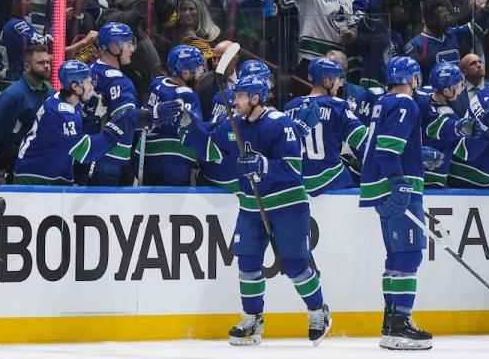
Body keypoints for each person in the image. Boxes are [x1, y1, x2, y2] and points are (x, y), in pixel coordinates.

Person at [171, 74, 332, 346]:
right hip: (250, 206)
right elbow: (210, 149)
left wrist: (264, 165)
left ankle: (318, 311)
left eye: (240, 96)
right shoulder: (232, 124)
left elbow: (293, 168)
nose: (234, 101)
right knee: (247, 263)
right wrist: (191, 127)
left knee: (294, 265)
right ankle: (253, 319)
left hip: (287, 205)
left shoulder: (279, 123)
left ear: (255, 98)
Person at [359, 56, 433, 350]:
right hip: (399, 189)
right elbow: (388, 151)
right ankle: (401, 326)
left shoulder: (383, 103)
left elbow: (382, 145)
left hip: (381, 188)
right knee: (408, 256)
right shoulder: (405, 103)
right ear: (413, 79)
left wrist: (419, 155)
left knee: (395, 258)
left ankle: (391, 325)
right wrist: (400, 182)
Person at [13, 60, 127, 185]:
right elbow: (85, 152)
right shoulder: (60, 113)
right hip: (36, 177)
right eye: (88, 82)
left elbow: (78, 134)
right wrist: (118, 129)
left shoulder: (69, 102)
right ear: (75, 86)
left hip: (51, 172)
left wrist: (89, 116)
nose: (92, 87)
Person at [282, 57, 366, 194]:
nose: (339, 84)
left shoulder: (290, 107)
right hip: (331, 179)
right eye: (337, 79)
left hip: (297, 181)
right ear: (326, 81)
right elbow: (362, 140)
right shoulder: (337, 105)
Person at [0, 44, 52, 181]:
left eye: (47, 62)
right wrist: (14, 153)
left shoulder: (50, 91)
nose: (46, 66)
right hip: (18, 163)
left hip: (44, 160)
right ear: (27, 67)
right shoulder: (14, 95)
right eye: (41, 63)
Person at [144, 45, 207, 185]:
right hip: (176, 159)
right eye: (197, 69)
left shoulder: (157, 83)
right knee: (174, 204)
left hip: (148, 154)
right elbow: (194, 126)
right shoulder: (187, 94)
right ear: (185, 72)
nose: (201, 72)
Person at [87, 22, 139, 186]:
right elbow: (125, 120)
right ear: (116, 47)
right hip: (110, 159)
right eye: (129, 44)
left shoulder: (90, 69)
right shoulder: (120, 82)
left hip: (86, 153)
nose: (132, 50)